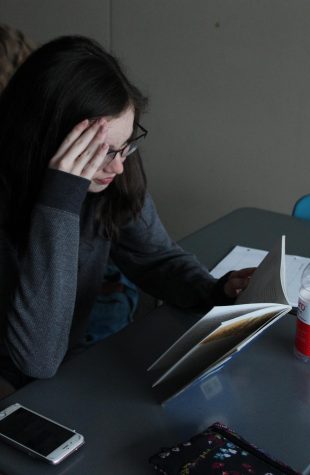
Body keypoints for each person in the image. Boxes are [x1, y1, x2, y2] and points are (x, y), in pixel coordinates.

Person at [0, 35, 253, 393]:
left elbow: (154, 258)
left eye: (126, 146)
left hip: (62, 369)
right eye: (103, 152)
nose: (119, 166)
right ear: (46, 140)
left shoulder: (113, 174)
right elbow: (35, 359)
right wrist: (60, 199)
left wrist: (216, 289)